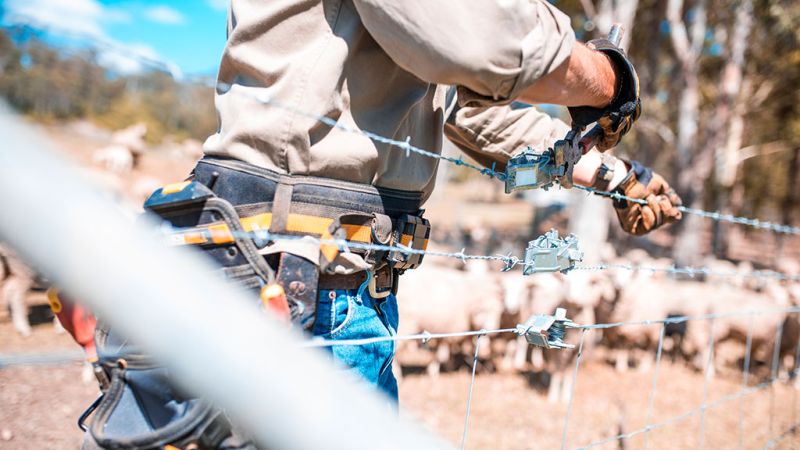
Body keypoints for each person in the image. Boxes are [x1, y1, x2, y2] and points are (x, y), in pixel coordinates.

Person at [79, 1, 682, 448]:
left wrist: (613, 176)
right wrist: (607, 79)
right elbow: (479, 41)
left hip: (334, 275)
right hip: (301, 271)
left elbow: (471, 116)